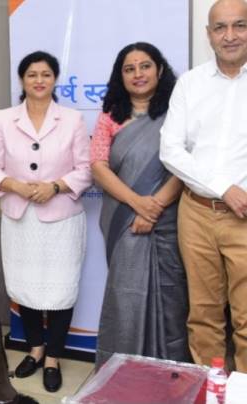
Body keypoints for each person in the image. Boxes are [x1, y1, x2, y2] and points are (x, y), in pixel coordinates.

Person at [0, 51, 92, 393]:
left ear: (55, 79)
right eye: (32, 74)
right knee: (25, 286)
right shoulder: (4, 118)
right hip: (19, 217)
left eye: (45, 74)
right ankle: (35, 349)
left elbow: (86, 170)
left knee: (60, 290)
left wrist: (54, 187)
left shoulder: (72, 119)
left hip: (61, 219)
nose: (39, 80)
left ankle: (54, 357)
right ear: (22, 80)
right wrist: (14, 185)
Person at [160, 0, 247, 371]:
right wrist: (223, 187)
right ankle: (213, 390)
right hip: (196, 213)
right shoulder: (190, 83)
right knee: (203, 315)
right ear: (209, 35)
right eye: (220, 28)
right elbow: (170, 150)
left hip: (245, 218)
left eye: (239, 25)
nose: (230, 36)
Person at [91, 42, 190, 368]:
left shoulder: (178, 111)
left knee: (172, 295)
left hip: (169, 221)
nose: (138, 74)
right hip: (124, 219)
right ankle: (122, 372)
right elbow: (98, 167)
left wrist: (155, 207)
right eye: (129, 69)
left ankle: (173, 372)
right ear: (120, 76)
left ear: (159, 69)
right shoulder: (110, 117)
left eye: (145, 66)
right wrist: (138, 204)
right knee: (126, 296)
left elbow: (187, 165)